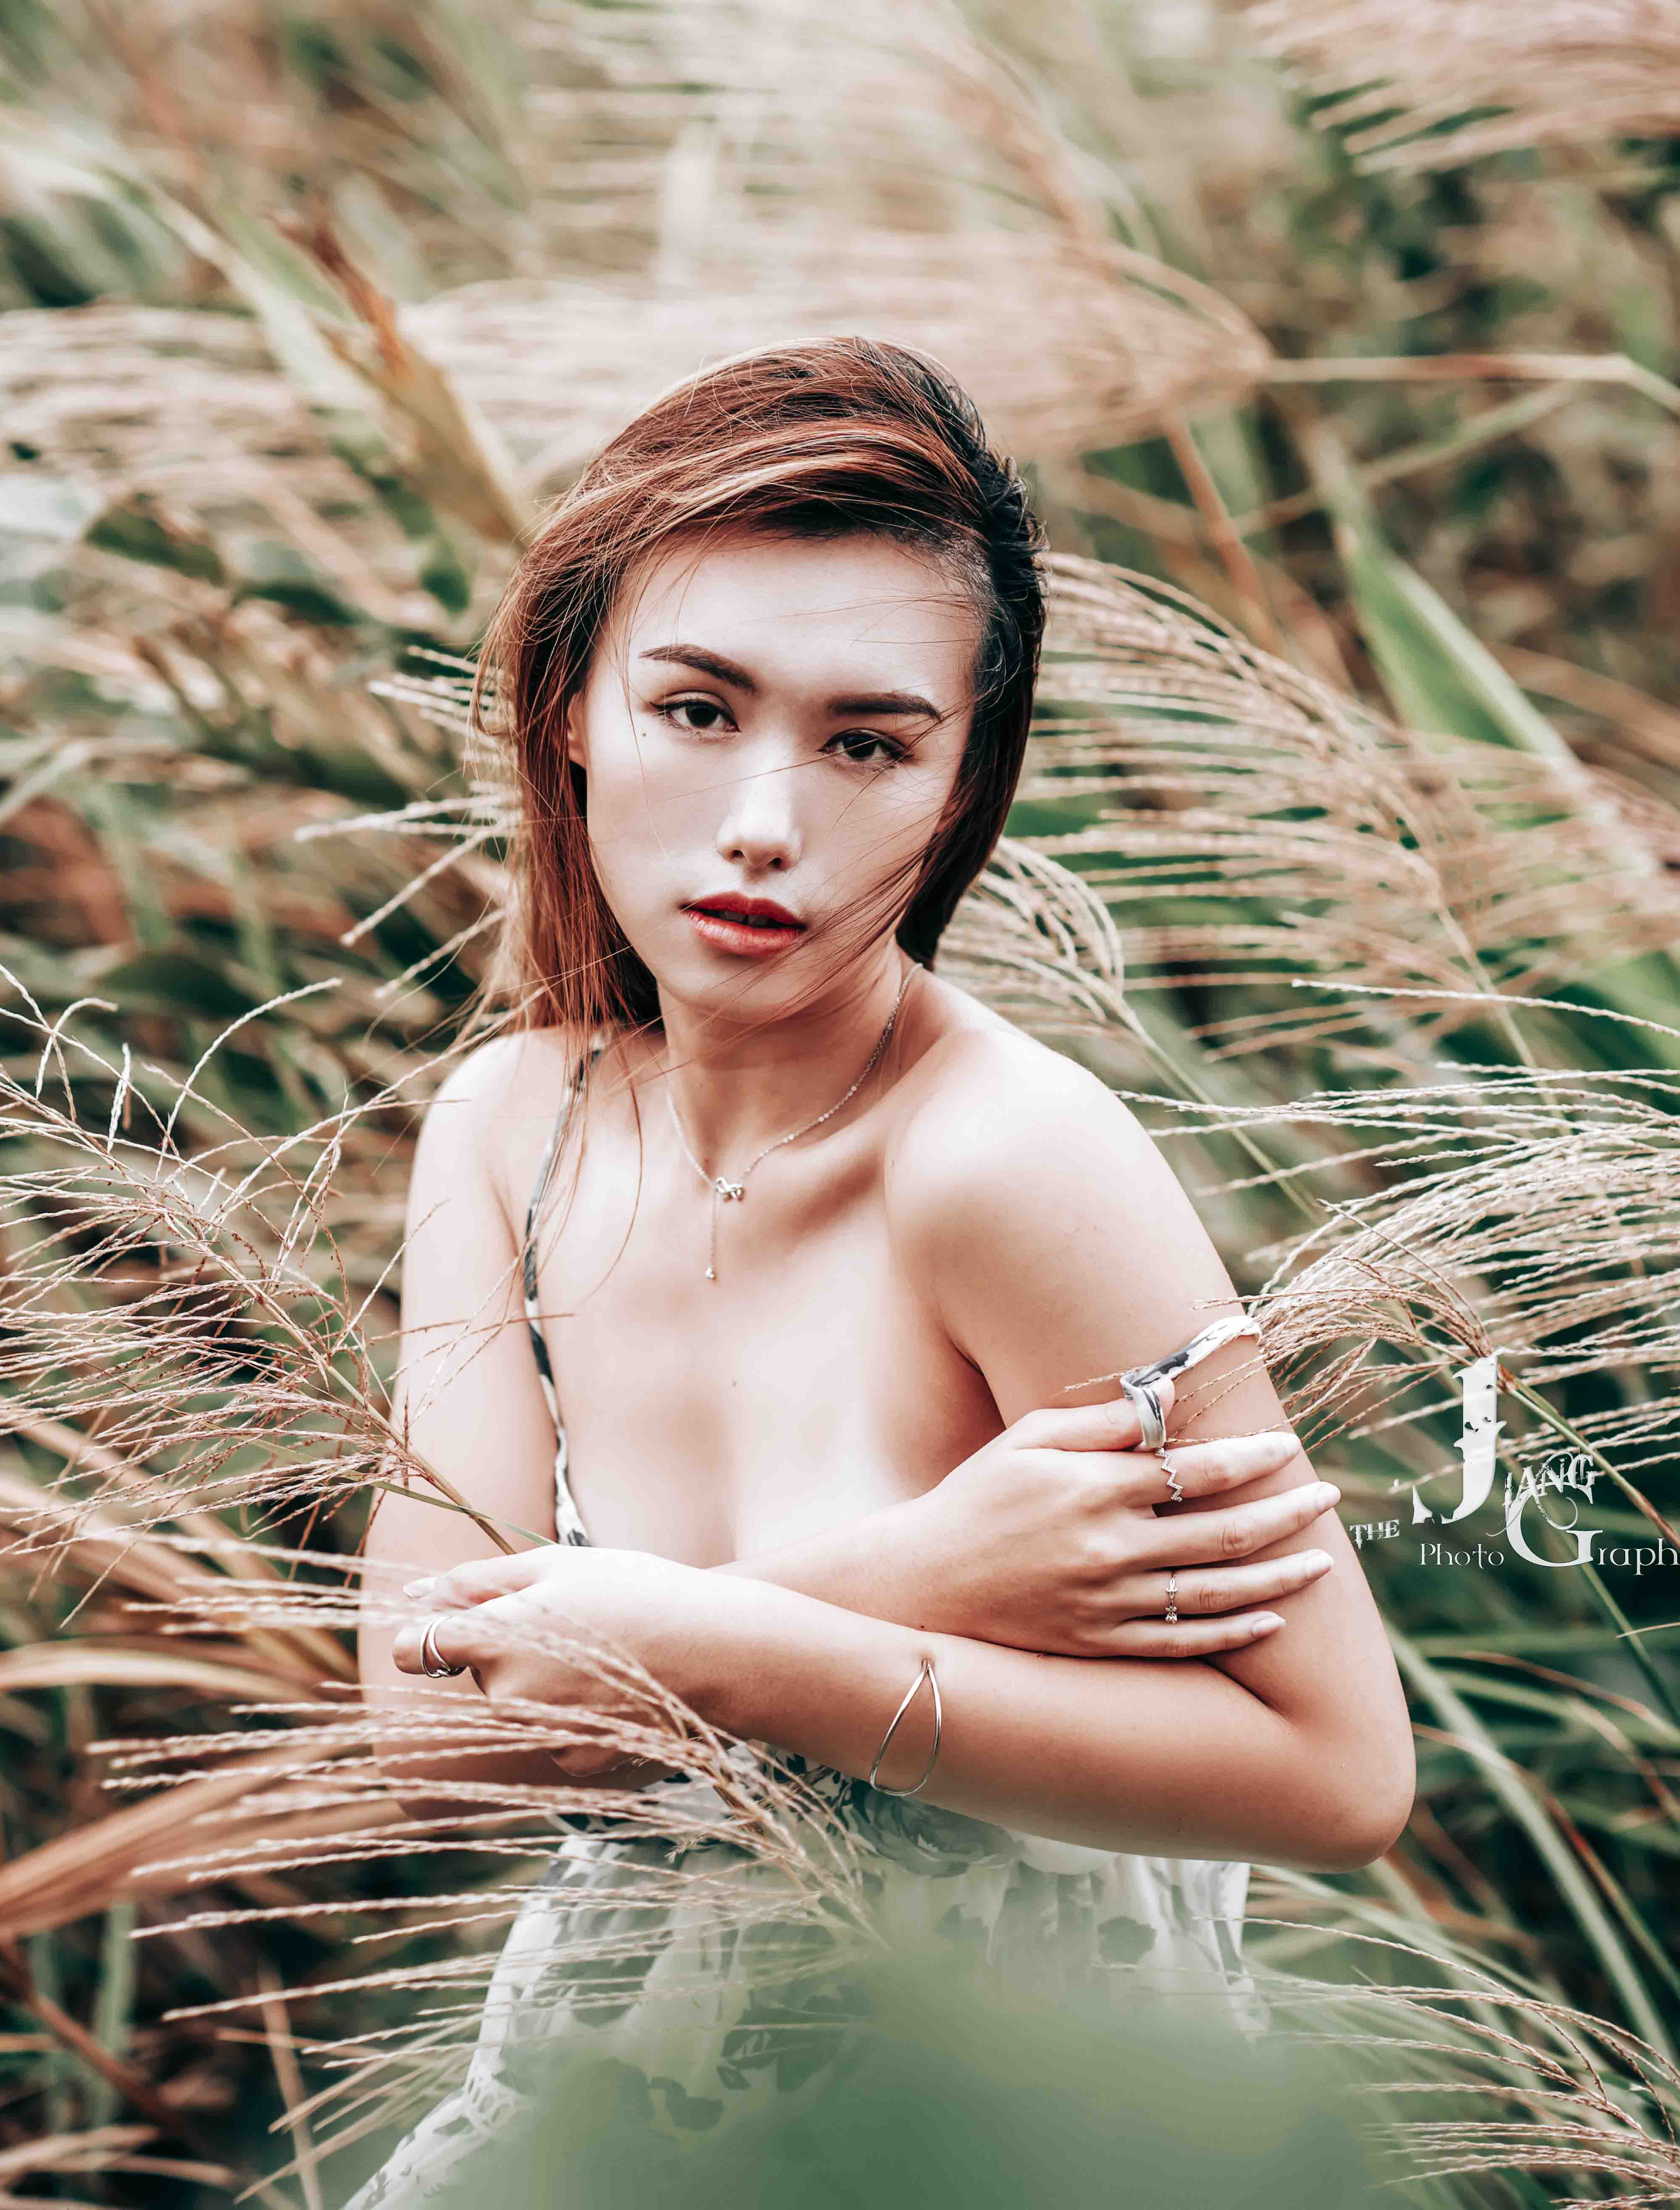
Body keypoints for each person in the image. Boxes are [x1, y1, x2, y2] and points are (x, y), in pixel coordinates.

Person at [346, 339, 1415, 2202]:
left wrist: (702, 1645)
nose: (768, 822)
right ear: (572, 707)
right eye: (698, 709)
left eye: (866, 743)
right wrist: (896, 1582)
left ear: (957, 786)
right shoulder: (515, 1129)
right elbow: (426, 1725)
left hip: (1014, 2130)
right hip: (614, 2106)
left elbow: (1336, 1778)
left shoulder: (1009, 1162)